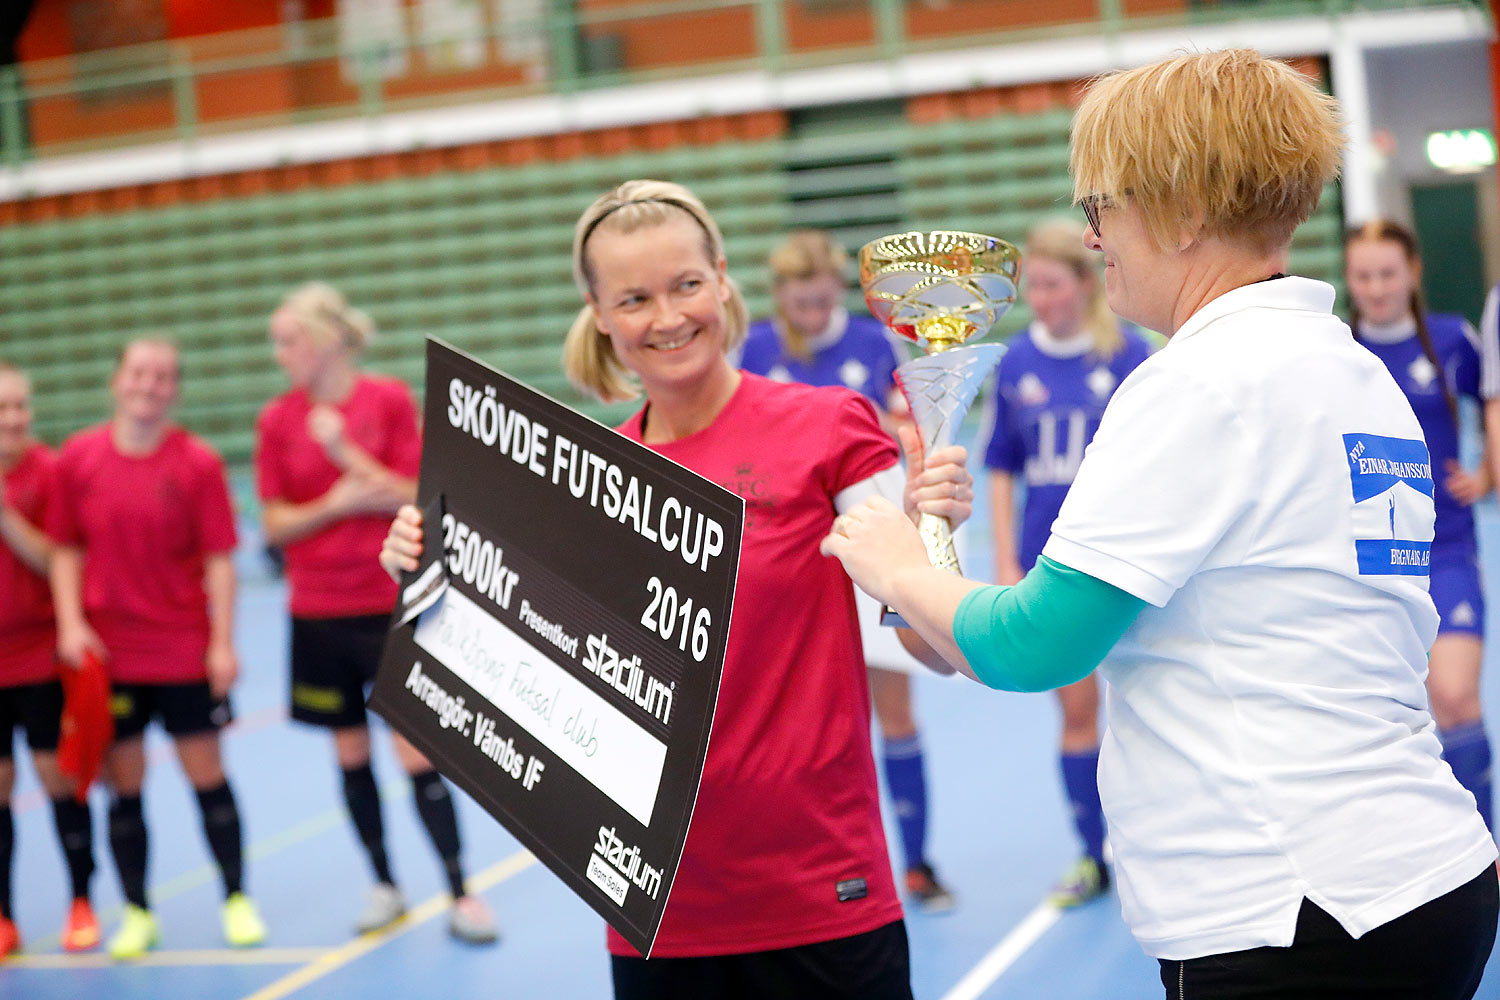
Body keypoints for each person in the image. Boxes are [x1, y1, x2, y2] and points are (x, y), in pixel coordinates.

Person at [822, 49, 1498, 998]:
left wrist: (895, 569)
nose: (1093, 238)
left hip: (1291, 912)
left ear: (1181, 214)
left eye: (1102, 207)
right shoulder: (1351, 372)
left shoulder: (1198, 386)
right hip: (1418, 878)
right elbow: (1048, 638)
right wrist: (929, 564)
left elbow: (1032, 648)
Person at [380, 180, 973, 1000]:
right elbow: (524, 681)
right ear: (599, 312)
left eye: (686, 285)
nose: (667, 317)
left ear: (722, 279)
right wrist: (427, 574)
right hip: (654, 908)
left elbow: (928, 652)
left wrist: (928, 539)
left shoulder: (830, 428)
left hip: (822, 891)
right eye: (634, 298)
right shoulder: (585, 483)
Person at [255, 282, 498, 944]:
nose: (281, 354)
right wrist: (335, 504)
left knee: (417, 753)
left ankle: (461, 892)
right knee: (350, 754)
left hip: (391, 601)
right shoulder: (276, 420)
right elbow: (274, 525)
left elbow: (422, 490)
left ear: (328, 338)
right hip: (316, 613)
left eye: (290, 340)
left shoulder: (385, 399)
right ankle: (384, 884)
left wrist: (345, 457)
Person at [739, 228, 954, 912]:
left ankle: (916, 864)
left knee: (894, 709)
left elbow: (909, 434)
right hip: (793, 556)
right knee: (808, 719)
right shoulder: (758, 350)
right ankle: (814, 871)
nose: (808, 314)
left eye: (818, 300)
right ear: (779, 298)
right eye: (796, 303)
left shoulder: (870, 343)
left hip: (872, 536)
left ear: (835, 290)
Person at [47, 338, 266, 961]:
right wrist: (69, 622)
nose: (150, 385)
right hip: (111, 657)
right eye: (140, 373)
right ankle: (139, 911)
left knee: (208, 777)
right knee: (126, 787)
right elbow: (65, 547)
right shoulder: (78, 458)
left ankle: (236, 898)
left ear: (174, 389)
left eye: (164, 376)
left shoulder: (197, 464)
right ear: (117, 381)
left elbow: (221, 560)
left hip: (183, 652)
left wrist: (222, 642)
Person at [980, 217, 1153, 907]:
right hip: (1051, 566)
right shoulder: (1016, 363)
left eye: (1052, 284)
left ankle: (1151, 845)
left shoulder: (1131, 355)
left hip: (1130, 564)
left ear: (1085, 283)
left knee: (1147, 706)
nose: (1041, 299)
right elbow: (999, 467)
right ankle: (1092, 856)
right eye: (1033, 288)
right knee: (1078, 713)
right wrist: (1004, 560)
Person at [1344, 220, 1492, 831]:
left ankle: (1483, 846)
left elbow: (1492, 403)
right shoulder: (1339, 351)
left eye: (1388, 273)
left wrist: (1486, 476)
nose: (1377, 288)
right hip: (1364, 562)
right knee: (1394, 717)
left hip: (1448, 550)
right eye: (1363, 275)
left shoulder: (1455, 339)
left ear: (1412, 273)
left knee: (1454, 697)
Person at [0, 363, 99, 956]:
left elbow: (59, 560)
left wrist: (7, 517)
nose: (14, 419)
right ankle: (5, 916)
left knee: (55, 776)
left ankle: (80, 901)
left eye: (20, 407)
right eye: (2, 409)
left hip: (38, 653)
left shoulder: (50, 471)